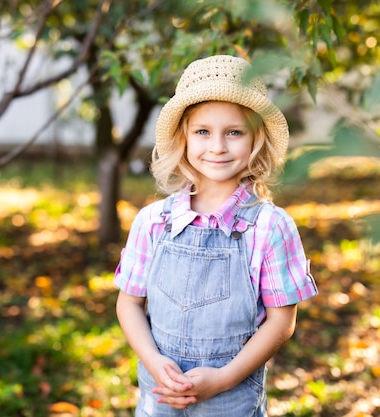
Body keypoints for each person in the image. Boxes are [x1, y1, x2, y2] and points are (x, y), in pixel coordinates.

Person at [114, 54, 318, 417]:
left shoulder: (270, 227)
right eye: (203, 131)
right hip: (160, 397)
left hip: (231, 401)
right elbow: (128, 303)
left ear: (257, 139)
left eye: (234, 132)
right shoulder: (152, 222)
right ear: (184, 138)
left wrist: (224, 378)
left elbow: (281, 322)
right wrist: (155, 362)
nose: (218, 146)